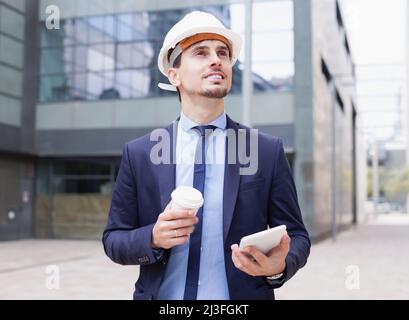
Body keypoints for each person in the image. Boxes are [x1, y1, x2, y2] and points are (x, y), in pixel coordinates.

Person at [103, 11, 310, 300]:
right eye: (201, 52)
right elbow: (114, 240)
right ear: (173, 74)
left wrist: (278, 267)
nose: (216, 60)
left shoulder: (265, 151)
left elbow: (298, 236)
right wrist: (153, 237)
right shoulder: (140, 154)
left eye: (223, 53)